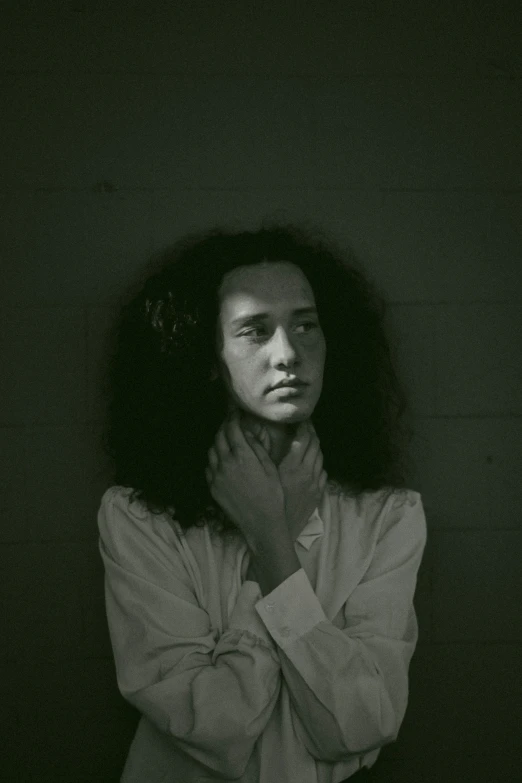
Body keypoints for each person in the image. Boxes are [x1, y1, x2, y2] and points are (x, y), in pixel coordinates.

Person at [97, 220, 428, 783]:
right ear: (208, 354)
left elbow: (361, 724)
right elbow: (213, 726)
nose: (288, 354)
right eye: (255, 330)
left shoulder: (388, 517)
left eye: (306, 326)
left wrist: (273, 543)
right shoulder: (137, 518)